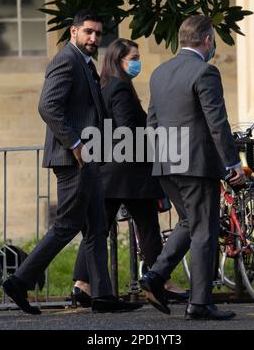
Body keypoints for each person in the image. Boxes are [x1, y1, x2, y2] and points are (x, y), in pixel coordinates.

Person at [2, 10, 142, 315]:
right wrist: (76, 143)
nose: (94, 38)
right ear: (73, 31)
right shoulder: (66, 59)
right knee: (67, 224)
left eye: (98, 34)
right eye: (88, 32)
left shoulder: (83, 61)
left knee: (97, 228)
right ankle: (19, 280)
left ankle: (103, 296)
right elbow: (47, 106)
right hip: (74, 158)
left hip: (87, 158)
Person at [140, 15, 245, 320]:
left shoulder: (159, 73)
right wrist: (232, 163)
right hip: (197, 164)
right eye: (213, 39)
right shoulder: (205, 72)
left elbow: (152, 122)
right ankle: (199, 303)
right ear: (207, 40)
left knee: (188, 222)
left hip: (167, 162)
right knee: (203, 230)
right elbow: (217, 123)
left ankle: (155, 276)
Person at [71, 38, 189, 307]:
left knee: (97, 228)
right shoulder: (121, 88)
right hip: (130, 172)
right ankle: (161, 281)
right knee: (147, 227)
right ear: (118, 60)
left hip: (107, 170)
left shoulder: (103, 86)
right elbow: (127, 129)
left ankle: (82, 283)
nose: (137, 61)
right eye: (133, 57)